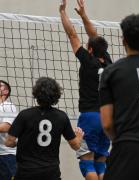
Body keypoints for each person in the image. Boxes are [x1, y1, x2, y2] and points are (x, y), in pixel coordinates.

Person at [100, 14, 139, 180]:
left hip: (127, 151)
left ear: (123, 40)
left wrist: (121, 141)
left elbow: (107, 123)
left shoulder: (112, 72)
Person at [59, 0, 112, 179]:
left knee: (87, 161)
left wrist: (62, 12)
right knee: (101, 163)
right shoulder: (108, 63)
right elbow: (94, 35)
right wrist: (83, 15)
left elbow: (72, 35)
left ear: (89, 50)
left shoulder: (88, 61)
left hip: (90, 116)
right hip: (108, 118)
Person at [5, 77, 84, 180]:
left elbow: (8, 142)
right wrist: (79, 136)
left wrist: (22, 143)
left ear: (36, 93)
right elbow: (76, 146)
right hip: (50, 172)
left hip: (26, 172)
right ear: (56, 95)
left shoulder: (24, 115)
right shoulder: (61, 117)